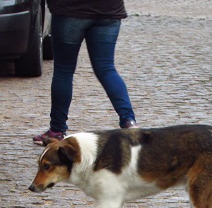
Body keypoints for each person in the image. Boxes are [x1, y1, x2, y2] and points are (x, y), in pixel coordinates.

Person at [34, 0, 138, 145]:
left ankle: (57, 131)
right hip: (108, 10)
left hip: (70, 11)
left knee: (63, 70)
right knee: (106, 68)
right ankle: (129, 122)